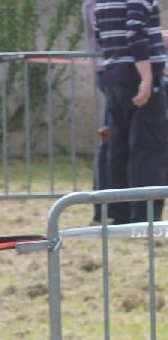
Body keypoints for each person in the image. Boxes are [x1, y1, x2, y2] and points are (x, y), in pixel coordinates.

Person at [95, 0, 167, 223]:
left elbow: (100, 34)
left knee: (119, 149)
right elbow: (135, 30)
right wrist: (146, 77)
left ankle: (120, 214)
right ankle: (144, 218)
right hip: (139, 79)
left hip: (114, 76)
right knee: (147, 151)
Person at [82, 0, 111, 223]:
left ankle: (106, 210)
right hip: (114, 72)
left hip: (118, 71)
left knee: (112, 141)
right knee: (110, 142)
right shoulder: (97, 4)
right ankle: (104, 210)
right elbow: (109, 32)